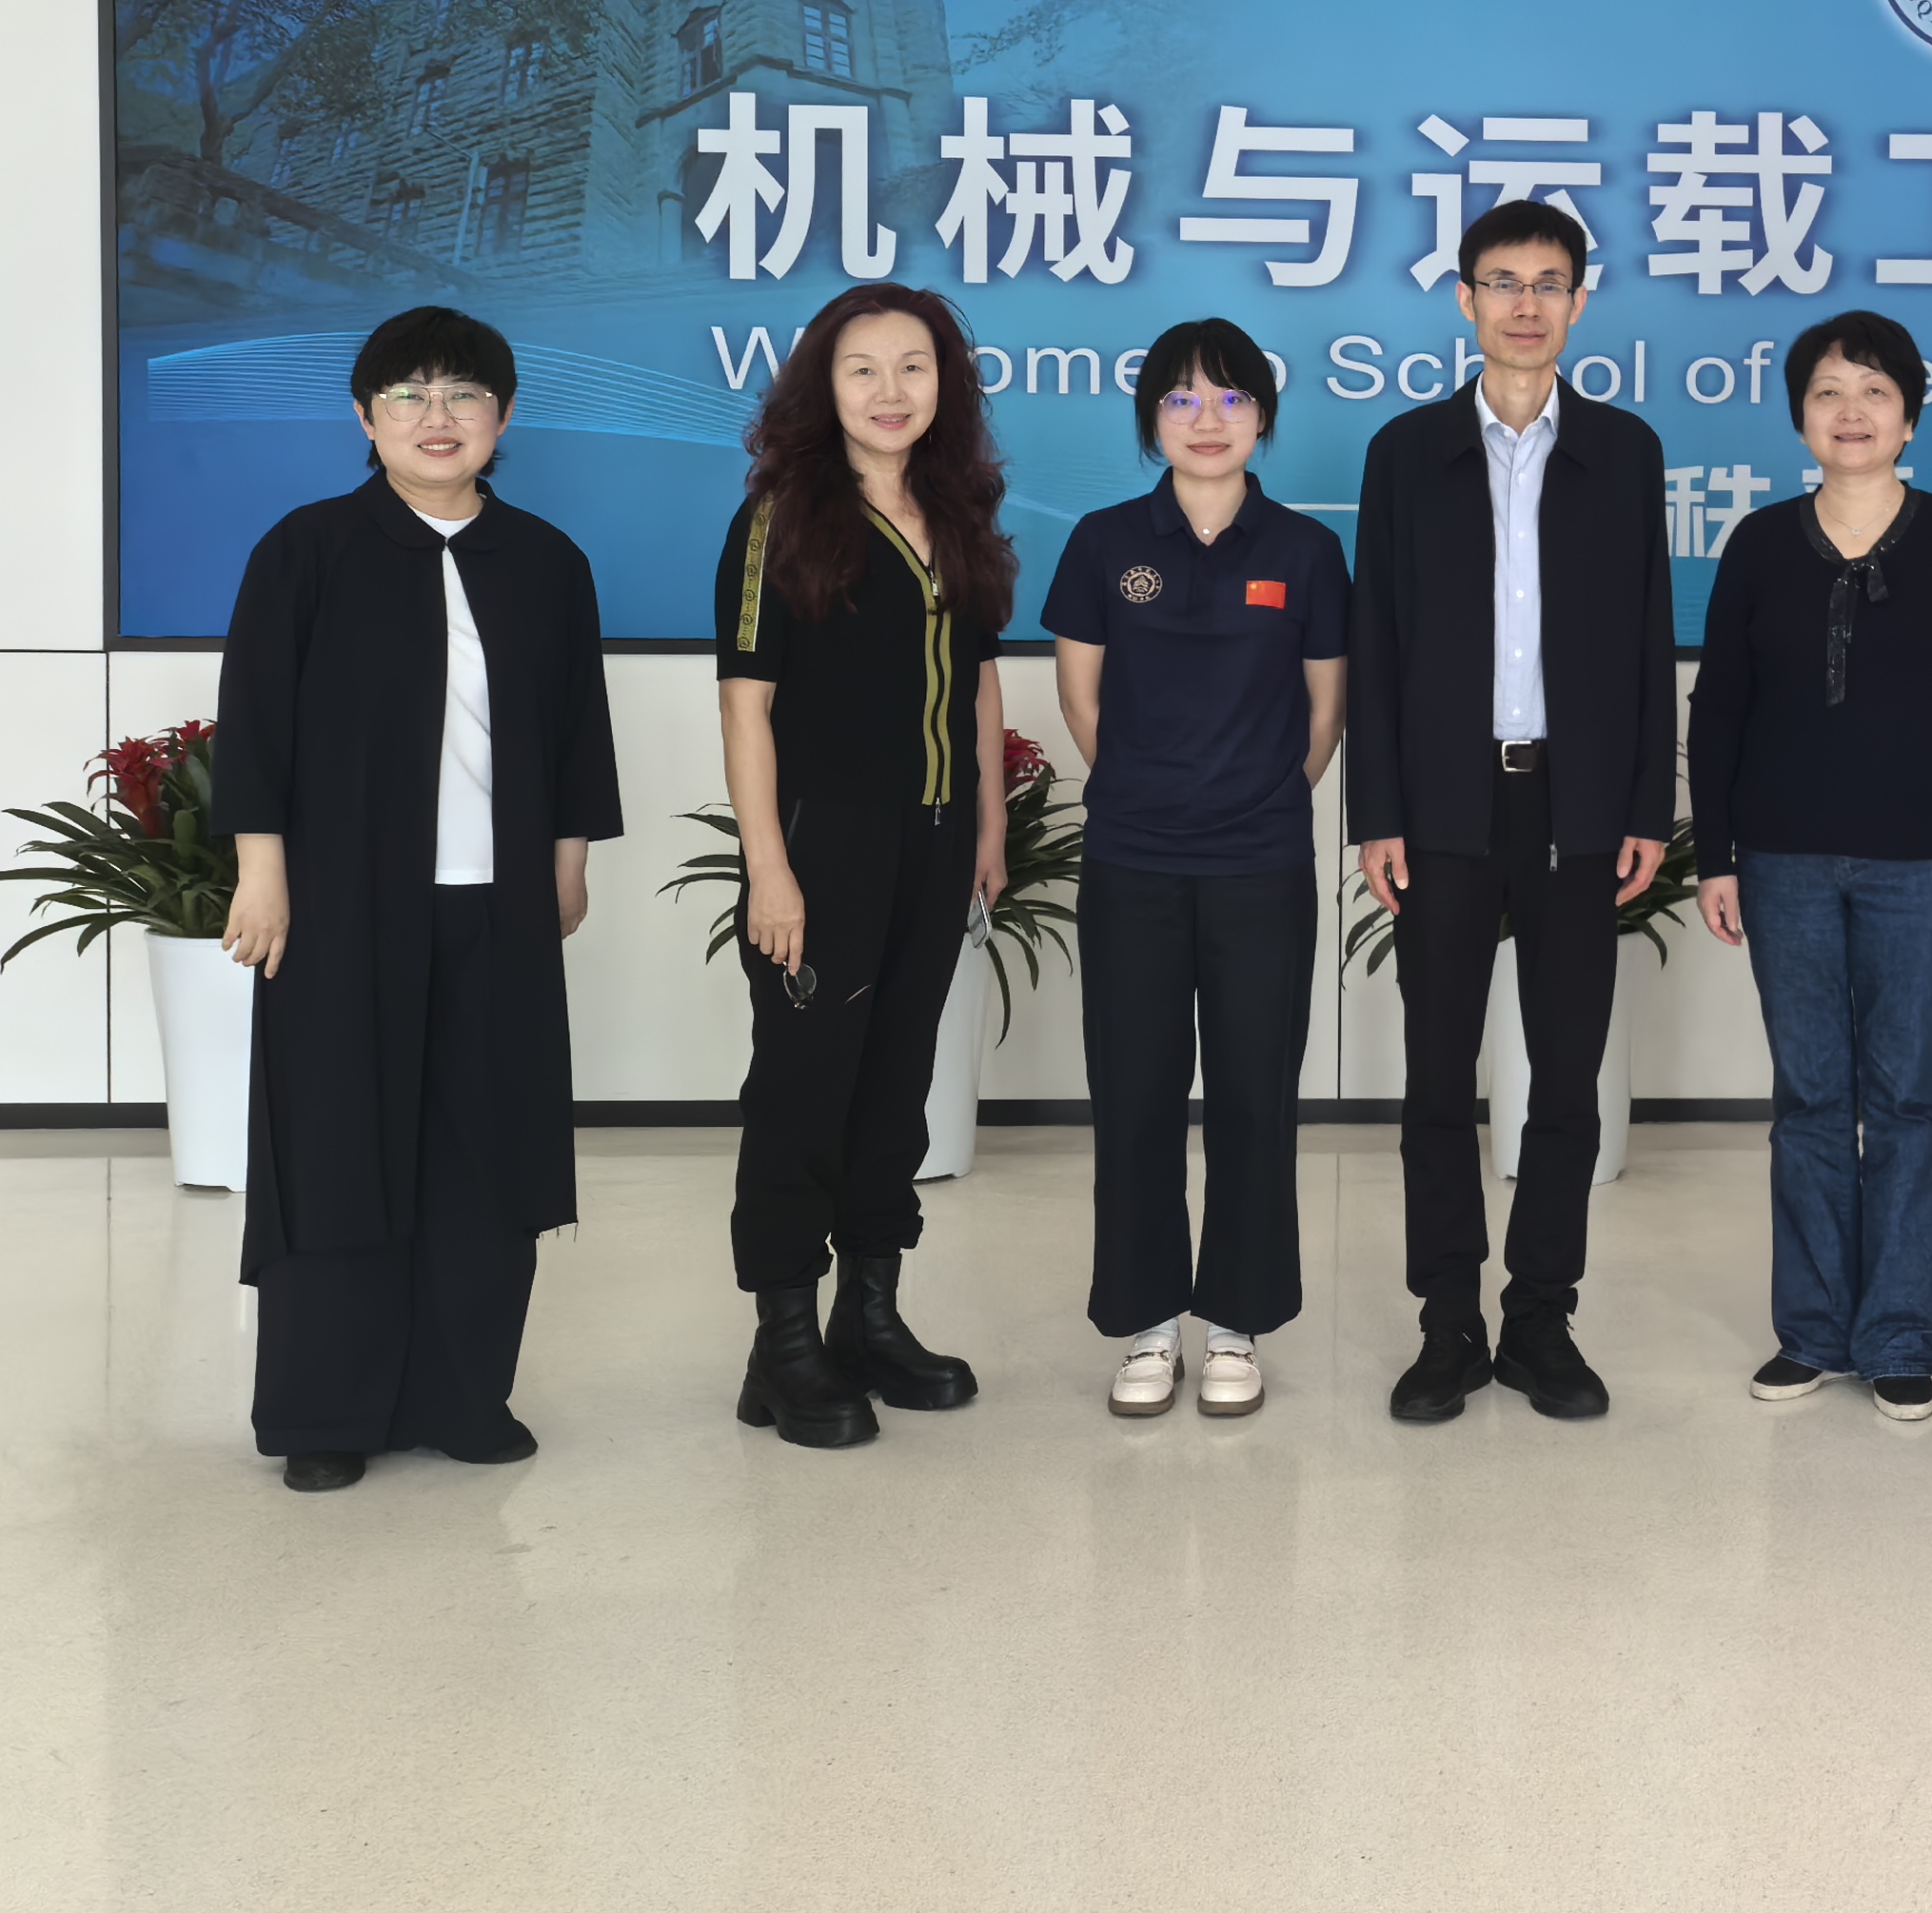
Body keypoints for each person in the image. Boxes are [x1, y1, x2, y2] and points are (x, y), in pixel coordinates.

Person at [215, 306, 621, 1494]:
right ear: (365, 416)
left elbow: (576, 728)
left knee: (484, 1147)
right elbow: (256, 723)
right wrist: (262, 874)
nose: (436, 417)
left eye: (463, 394)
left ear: (504, 415)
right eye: (408, 395)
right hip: (341, 908)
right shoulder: (307, 549)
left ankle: (465, 1396)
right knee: (340, 1142)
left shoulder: (547, 562)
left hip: (496, 902)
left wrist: (569, 859)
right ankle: (325, 1411)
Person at [1350, 199, 1677, 1425]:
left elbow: (1648, 635)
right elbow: (1376, 641)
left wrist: (1645, 804)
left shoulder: (1625, 451)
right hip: (1442, 802)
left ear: (1579, 303)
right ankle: (1448, 1320)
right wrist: (1376, 809)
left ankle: (1541, 1315)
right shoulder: (1405, 452)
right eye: (1502, 281)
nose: (1525, 304)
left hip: (1576, 805)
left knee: (1565, 1074)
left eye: (1548, 283)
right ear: (1465, 300)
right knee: (1438, 1074)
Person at [1690, 309, 1932, 1423]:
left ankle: (1899, 1335)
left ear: (1909, 417)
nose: (1851, 412)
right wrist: (1716, 857)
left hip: (1920, 863)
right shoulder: (1757, 542)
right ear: (1800, 416)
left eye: (1875, 392)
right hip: (1780, 858)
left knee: (1906, 1097)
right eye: (1829, 392)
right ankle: (1813, 1331)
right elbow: (1718, 709)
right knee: (1809, 1098)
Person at [714, 282, 1013, 1450]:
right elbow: (747, 704)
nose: (891, 392)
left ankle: (869, 1316)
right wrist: (769, 868)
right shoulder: (782, 516)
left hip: (936, 842)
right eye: (862, 370)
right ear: (822, 388)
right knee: (803, 1089)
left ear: (947, 386)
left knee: (896, 1084)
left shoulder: (959, 509)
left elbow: (978, 681)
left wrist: (987, 829)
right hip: (825, 842)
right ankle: (783, 1343)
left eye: (914, 368)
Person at [1043, 317, 1350, 1421]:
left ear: (1262, 416)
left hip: (1260, 865)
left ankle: (1234, 1322)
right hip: (1132, 861)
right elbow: (1081, 700)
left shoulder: (1305, 551)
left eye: (1229, 398)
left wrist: (1254, 797)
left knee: (1254, 1097)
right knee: (1134, 1097)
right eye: (1180, 398)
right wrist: (1150, 791)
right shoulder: (1102, 542)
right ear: (1151, 421)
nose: (1206, 419)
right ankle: (1145, 1323)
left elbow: (1323, 714)